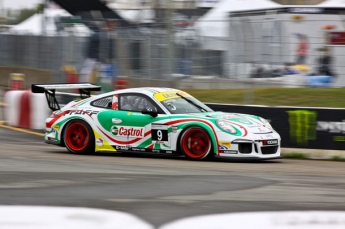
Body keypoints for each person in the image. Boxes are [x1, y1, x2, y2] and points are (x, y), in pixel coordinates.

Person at [80, 19, 118, 90]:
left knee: (103, 77)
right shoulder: (102, 35)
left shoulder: (105, 34)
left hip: (100, 60)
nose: (115, 27)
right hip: (94, 58)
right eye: (113, 24)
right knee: (87, 74)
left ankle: (103, 92)